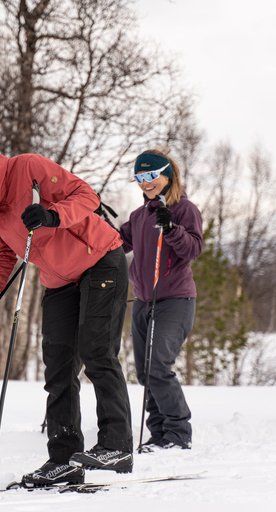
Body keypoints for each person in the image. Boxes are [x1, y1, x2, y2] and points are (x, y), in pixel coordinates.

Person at [0, 153, 134, 488]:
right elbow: (0, 256)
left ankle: (116, 445)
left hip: (100, 260)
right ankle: (63, 459)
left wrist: (52, 215)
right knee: (58, 367)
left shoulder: (27, 169)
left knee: (96, 351)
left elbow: (87, 196)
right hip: (58, 281)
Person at [119, 148, 203, 451]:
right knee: (145, 372)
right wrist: (94, 223)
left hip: (175, 301)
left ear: (168, 174)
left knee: (158, 367)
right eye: (139, 177)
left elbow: (192, 249)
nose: (146, 182)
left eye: (151, 175)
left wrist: (171, 228)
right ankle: (159, 434)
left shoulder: (184, 209)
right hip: (142, 301)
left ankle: (178, 434)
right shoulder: (140, 216)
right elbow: (118, 242)